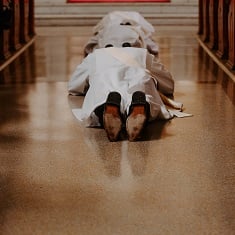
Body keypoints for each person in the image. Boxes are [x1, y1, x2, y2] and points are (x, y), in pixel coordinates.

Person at [68, 46, 183, 141]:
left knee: (101, 96)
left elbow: (74, 86)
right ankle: (139, 103)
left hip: (105, 78)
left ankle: (107, 106)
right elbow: (168, 84)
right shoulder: (142, 53)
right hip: (140, 77)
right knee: (146, 94)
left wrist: (87, 85)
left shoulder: (96, 55)